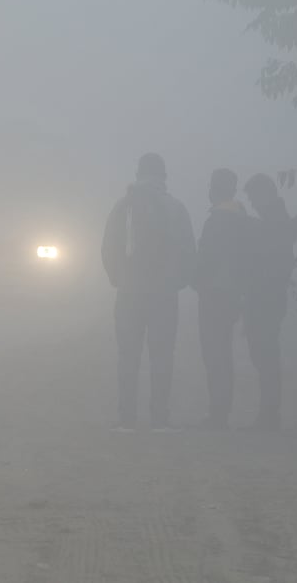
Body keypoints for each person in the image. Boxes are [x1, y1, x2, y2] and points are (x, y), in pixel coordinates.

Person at [102, 153, 196, 432]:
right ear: (163, 176)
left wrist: (118, 279)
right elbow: (188, 252)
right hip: (164, 294)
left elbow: (109, 247)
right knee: (162, 355)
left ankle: (127, 418)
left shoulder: (123, 205)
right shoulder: (176, 207)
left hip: (130, 291)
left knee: (128, 355)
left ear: (138, 174)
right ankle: (159, 418)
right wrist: (177, 282)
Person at [192, 169, 249, 430]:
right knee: (223, 353)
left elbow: (206, 260)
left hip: (214, 295)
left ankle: (218, 415)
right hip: (231, 294)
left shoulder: (217, 221)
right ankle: (221, 412)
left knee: (214, 355)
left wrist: (195, 281)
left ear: (215, 189)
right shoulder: (240, 219)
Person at [241, 173, 295, 430]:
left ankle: (269, 414)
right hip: (265, 298)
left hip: (266, 299)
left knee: (265, 355)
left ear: (264, 194)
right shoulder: (273, 219)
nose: (252, 204)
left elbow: (270, 263)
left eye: (253, 198)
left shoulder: (275, 222)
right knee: (263, 355)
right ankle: (268, 412)